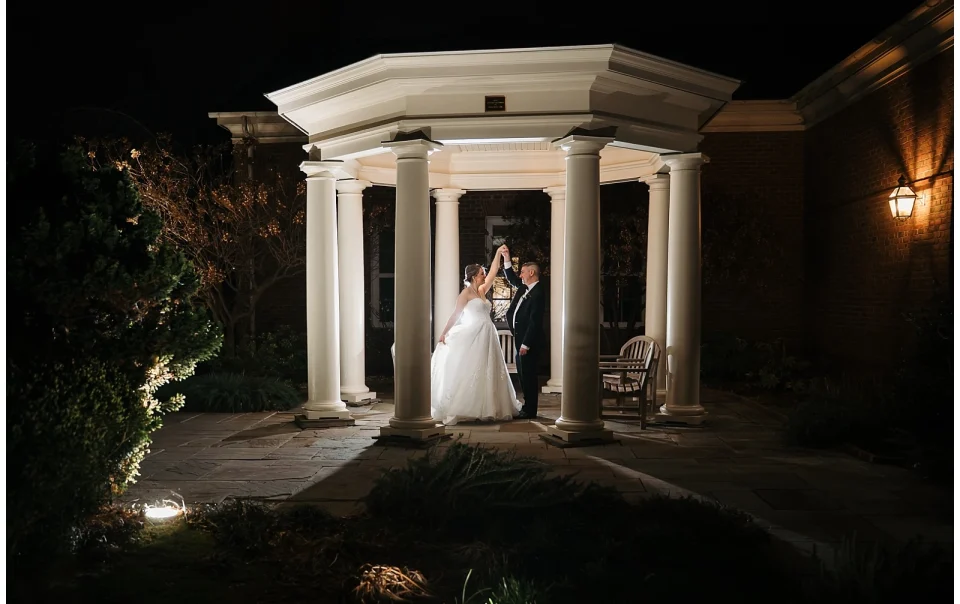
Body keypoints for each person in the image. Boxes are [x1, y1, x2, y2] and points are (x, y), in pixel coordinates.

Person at [430, 245, 522, 425]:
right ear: (474, 276)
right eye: (481, 273)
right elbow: (455, 315)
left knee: (490, 370)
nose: (484, 275)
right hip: (475, 334)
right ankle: (469, 407)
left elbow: (494, 271)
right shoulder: (465, 294)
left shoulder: (481, 291)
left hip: (488, 335)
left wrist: (498, 254)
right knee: (473, 370)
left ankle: (490, 406)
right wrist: (443, 333)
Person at [500, 246, 546, 419]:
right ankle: (527, 407)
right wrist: (506, 258)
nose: (521, 275)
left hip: (529, 343)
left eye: (523, 272)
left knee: (529, 376)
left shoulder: (538, 293)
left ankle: (530, 410)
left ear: (532, 273)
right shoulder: (524, 288)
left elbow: (535, 322)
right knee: (523, 375)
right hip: (520, 340)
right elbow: (511, 278)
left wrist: (526, 344)